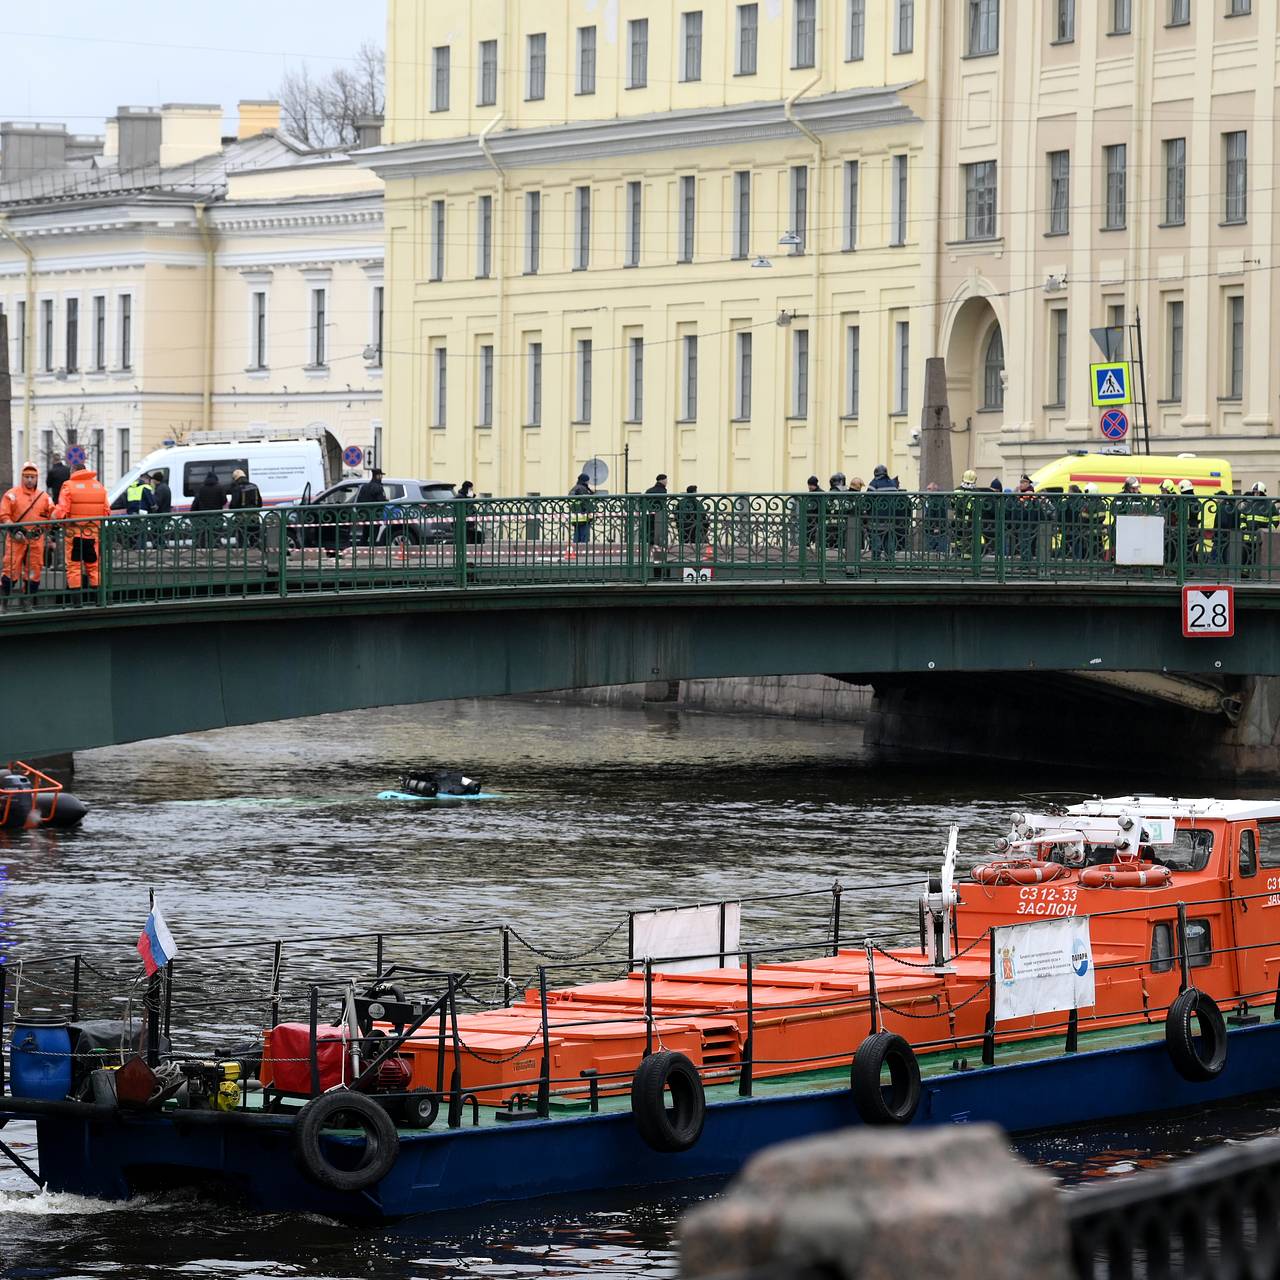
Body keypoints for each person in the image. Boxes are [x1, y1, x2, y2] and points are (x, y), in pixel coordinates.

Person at [52, 458, 110, 602]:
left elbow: (62, 511)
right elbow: (107, 511)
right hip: (93, 534)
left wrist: (54, 519)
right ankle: (97, 600)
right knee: (93, 565)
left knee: (74, 566)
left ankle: (77, 602)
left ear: (72, 472)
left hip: (74, 533)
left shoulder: (68, 486)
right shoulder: (99, 486)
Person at [0, 462, 54, 609]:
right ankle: (4, 602)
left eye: (32, 477)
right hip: (16, 539)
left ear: (37, 478)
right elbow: (4, 515)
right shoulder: (11, 495)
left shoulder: (44, 498)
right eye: (27, 477)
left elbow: (52, 516)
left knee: (34, 570)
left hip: (36, 539)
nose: (29, 480)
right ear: (22, 478)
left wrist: (50, 535)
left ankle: (27, 601)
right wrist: (14, 531)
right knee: (10, 569)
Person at [1241, 481, 1276, 577]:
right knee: (1245, 554)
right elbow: (1242, 516)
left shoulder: (1269, 504)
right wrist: (1243, 527)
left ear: (1262, 493)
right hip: (1248, 535)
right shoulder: (1249, 503)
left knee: (1259, 556)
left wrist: (1269, 529)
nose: (1256, 494)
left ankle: (1257, 574)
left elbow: (1276, 518)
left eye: (1258, 492)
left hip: (1261, 536)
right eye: (1254, 492)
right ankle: (1245, 573)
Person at [867, 464, 898, 560]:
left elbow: (867, 500)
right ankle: (890, 561)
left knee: (876, 542)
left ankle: (876, 562)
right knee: (889, 541)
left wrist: (867, 512)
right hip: (890, 520)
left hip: (876, 519)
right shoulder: (892, 483)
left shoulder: (874, 483)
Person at [190, 469, 226, 551]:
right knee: (216, 536)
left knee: (202, 538)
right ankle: (218, 554)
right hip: (216, 517)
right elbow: (224, 500)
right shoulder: (220, 487)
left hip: (204, 517)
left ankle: (202, 554)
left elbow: (197, 502)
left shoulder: (201, 488)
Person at [228, 468, 264, 549]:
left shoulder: (237, 488)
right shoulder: (254, 486)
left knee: (242, 542)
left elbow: (234, 505)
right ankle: (256, 558)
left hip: (241, 520)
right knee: (255, 541)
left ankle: (244, 559)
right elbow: (260, 503)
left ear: (236, 478)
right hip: (255, 519)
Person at [643, 474, 668, 548]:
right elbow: (662, 503)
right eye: (666, 480)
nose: (667, 482)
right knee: (658, 532)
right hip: (659, 514)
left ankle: (649, 546)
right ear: (662, 480)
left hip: (649, 514)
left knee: (649, 530)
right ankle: (658, 546)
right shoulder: (662, 490)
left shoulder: (649, 490)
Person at [569, 473, 594, 545]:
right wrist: (589, 512)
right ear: (585, 481)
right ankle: (582, 554)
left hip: (575, 516)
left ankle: (576, 552)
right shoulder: (582, 489)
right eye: (587, 481)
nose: (588, 482)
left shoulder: (574, 488)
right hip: (584, 516)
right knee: (584, 538)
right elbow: (586, 502)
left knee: (576, 537)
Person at [457, 479, 482, 545]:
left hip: (469, 523)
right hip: (463, 524)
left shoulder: (467, 496)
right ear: (467, 488)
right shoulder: (460, 497)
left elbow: (471, 508)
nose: (472, 490)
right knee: (467, 539)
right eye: (471, 489)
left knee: (476, 536)